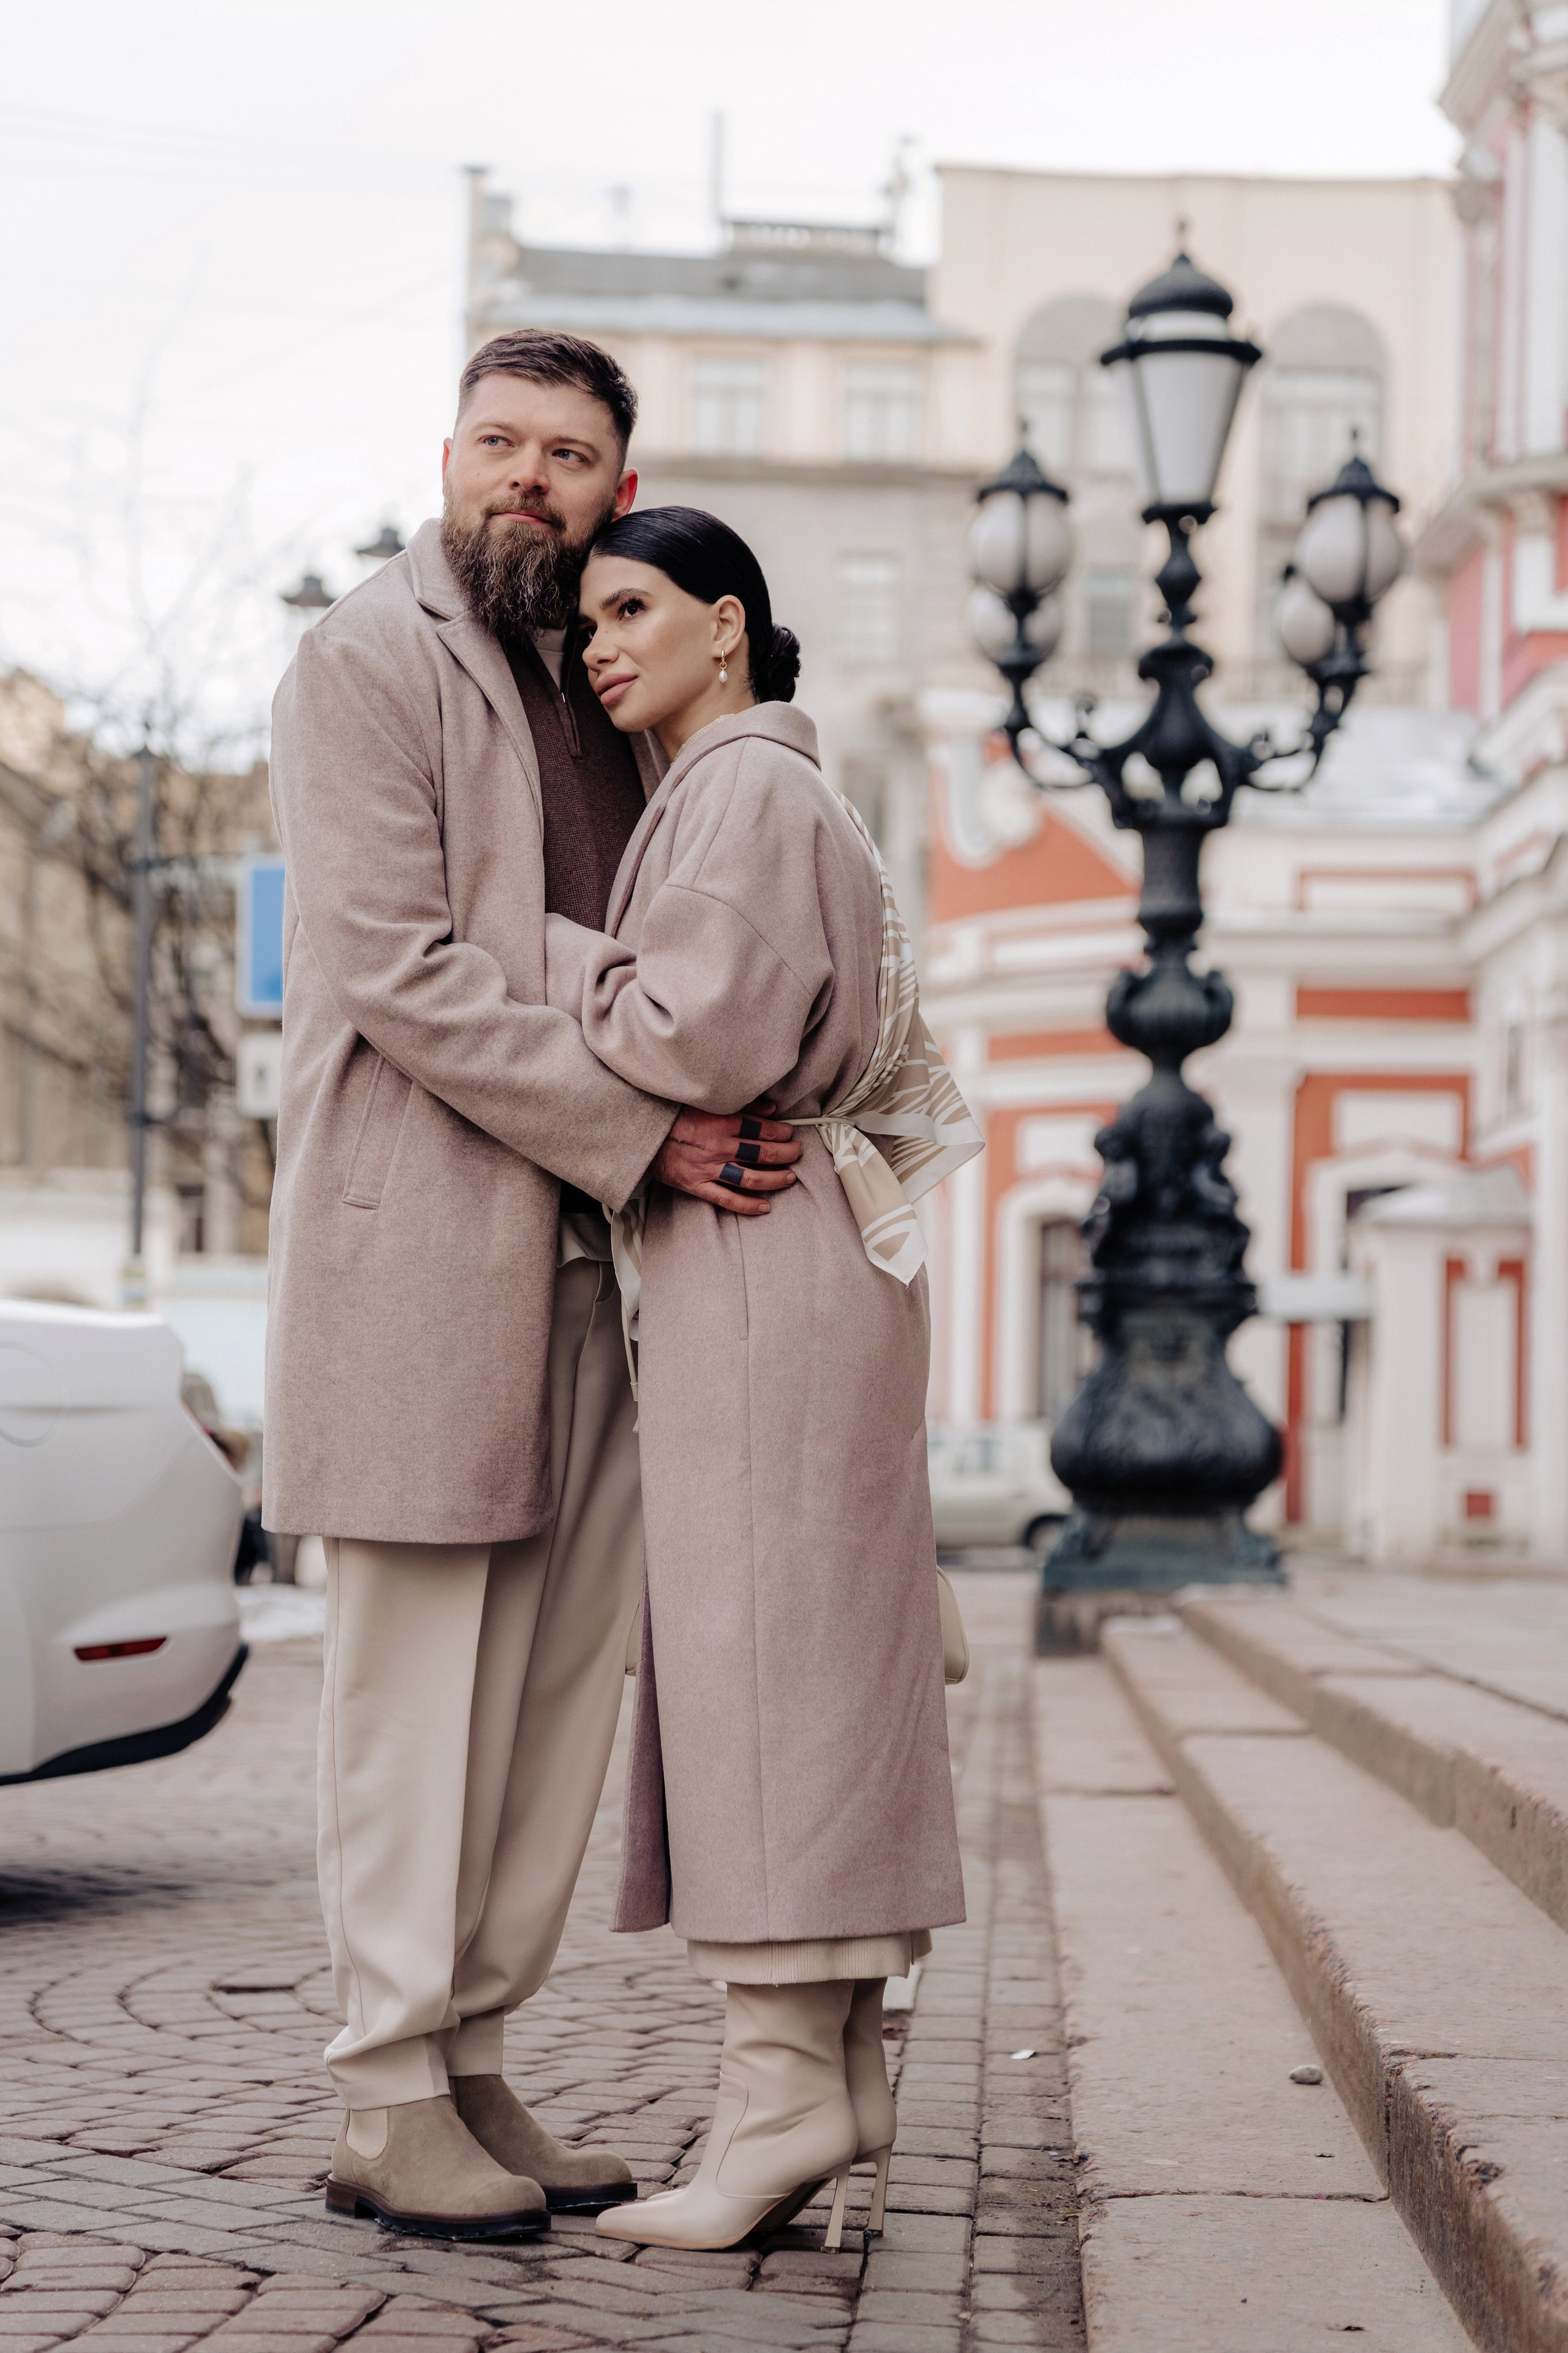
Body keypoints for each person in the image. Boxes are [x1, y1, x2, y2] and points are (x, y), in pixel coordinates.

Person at [263, 334, 804, 2242]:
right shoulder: (366, 658)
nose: (531, 478)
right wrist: (647, 1131)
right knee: (419, 1690)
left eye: (570, 454)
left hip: (597, 1263)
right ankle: (385, 2084)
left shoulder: (605, 684)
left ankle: (477, 2050)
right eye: (502, 441)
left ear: (614, 480)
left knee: (553, 1692)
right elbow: (405, 966)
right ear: (449, 456)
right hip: (424, 1248)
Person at [541, 507, 978, 2253]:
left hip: (759, 1251)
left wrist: (545, 946)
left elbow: (693, 1039)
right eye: (584, 621)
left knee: (763, 1648)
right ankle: (832, 2064)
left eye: (630, 607)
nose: (599, 645)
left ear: (730, 624)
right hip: (803, 1254)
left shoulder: (733, 791)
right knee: (801, 1641)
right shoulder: (773, 792)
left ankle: (782, 2100)